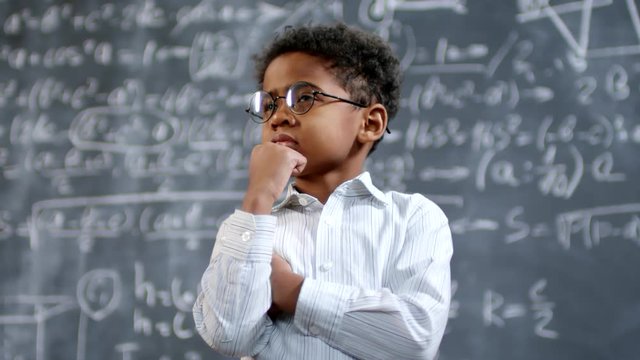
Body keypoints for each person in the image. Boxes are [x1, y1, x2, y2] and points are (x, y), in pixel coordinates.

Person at [192, 22, 453, 360]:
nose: (278, 118)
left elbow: (415, 339)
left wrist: (288, 290)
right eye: (269, 104)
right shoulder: (248, 229)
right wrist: (259, 196)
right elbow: (228, 336)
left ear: (370, 123)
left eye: (304, 98)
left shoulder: (413, 218)